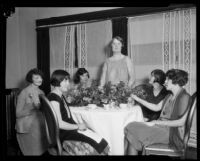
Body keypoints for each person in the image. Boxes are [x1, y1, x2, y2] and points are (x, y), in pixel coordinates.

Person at [124, 69, 192, 155]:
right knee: (132, 136)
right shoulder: (169, 95)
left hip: (172, 134)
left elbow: (181, 122)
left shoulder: (184, 97)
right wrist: (137, 98)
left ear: (175, 81)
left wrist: (156, 122)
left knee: (131, 126)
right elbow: (155, 107)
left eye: (167, 79)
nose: (164, 82)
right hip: (162, 128)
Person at [47, 69, 109, 155]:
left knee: (102, 143)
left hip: (69, 130)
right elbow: (59, 123)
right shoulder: (54, 98)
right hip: (64, 134)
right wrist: (78, 126)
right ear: (57, 80)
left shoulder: (59, 95)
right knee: (97, 148)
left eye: (68, 80)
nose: (68, 83)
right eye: (65, 81)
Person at [15, 68, 48, 155]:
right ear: (30, 79)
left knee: (49, 123)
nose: (40, 80)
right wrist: (31, 106)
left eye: (41, 78)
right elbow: (18, 114)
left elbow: (43, 110)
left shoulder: (42, 92)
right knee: (39, 126)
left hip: (39, 119)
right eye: (36, 78)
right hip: (26, 122)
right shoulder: (24, 92)